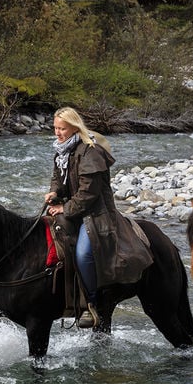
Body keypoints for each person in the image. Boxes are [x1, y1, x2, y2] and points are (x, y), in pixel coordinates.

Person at [45, 107, 153, 327]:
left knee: (84, 253)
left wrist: (65, 209)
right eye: (55, 128)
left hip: (95, 215)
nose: (57, 133)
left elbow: (89, 194)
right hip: (73, 209)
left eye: (62, 128)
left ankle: (90, 304)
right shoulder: (62, 151)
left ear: (74, 127)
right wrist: (54, 193)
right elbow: (57, 178)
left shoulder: (90, 152)